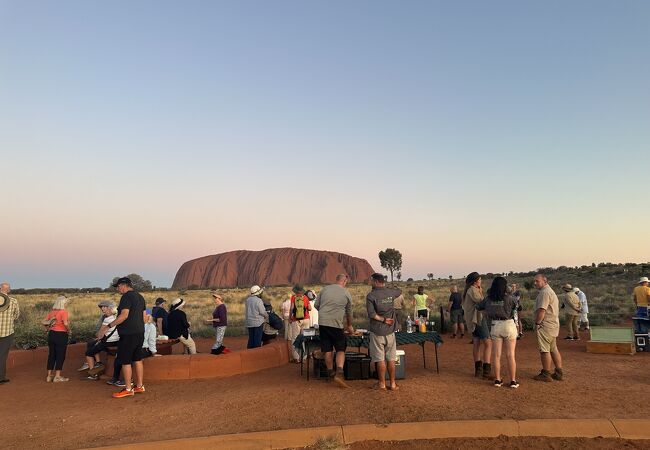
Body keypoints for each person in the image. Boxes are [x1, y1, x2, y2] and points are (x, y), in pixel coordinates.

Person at [101, 277, 146, 398]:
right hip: (140, 332)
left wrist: (108, 326)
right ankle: (140, 386)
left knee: (126, 361)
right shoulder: (140, 297)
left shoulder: (126, 297)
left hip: (128, 334)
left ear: (124, 285)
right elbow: (144, 318)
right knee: (137, 359)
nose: (117, 289)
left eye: (118, 286)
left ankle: (128, 388)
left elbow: (124, 315)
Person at [476, 277, 520, 388]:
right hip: (509, 325)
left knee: (496, 355)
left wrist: (487, 313)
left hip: (495, 325)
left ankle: (497, 380)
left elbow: (478, 307)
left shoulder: (488, 299)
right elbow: (518, 308)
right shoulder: (510, 298)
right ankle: (513, 381)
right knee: (510, 355)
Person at [314, 274, 354, 388]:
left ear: (336, 280)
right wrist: (350, 325)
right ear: (345, 281)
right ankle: (339, 373)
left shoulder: (325, 289)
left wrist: (325, 312)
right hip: (336, 323)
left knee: (327, 348)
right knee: (340, 348)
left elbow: (316, 305)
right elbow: (349, 312)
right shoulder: (346, 293)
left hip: (323, 322)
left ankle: (330, 373)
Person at [366, 273, 401, 391]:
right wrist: (389, 289)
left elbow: (372, 314)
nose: (370, 282)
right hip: (391, 331)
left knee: (380, 359)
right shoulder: (391, 293)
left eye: (372, 281)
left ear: (376, 281)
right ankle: (393, 384)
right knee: (391, 358)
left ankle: (381, 384)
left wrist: (384, 320)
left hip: (377, 332)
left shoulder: (371, 296)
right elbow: (399, 291)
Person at [533, 274, 564, 382]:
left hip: (545, 325)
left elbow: (542, 310)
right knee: (553, 348)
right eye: (535, 281)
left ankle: (546, 373)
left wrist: (537, 323)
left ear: (544, 281)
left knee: (544, 350)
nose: (535, 283)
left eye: (537, 281)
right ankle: (558, 372)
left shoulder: (544, 293)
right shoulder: (549, 291)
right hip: (553, 324)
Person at [79, 300, 120, 380]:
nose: (102, 309)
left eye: (104, 307)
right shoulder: (117, 318)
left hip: (108, 343)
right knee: (93, 343)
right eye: (102, 307)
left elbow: (99, 334)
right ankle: (98, 363)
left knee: (88, 353)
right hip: (116, 342)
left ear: (110, 308)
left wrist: (98, 337)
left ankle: (93, 374)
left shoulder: (107, 320)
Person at [463, 272, 492, 378]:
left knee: (476, 342)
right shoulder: (473, 290)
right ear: (475, 281)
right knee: (488, 343)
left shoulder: (470, 290)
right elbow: (482, 302)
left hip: (473, 320)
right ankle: (486, 371)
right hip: (478, 319)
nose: (481, 281)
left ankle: (478, 370)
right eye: (479, 280)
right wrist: (481, 291)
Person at [42, 295, 71, 382]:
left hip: (51, 334)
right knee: (60, 355)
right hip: (61, 335)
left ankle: (49, 376)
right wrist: (69, 330)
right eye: (66, 303)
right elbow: (65, 323)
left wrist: (47, 329)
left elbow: (43, 322)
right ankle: (57, 376)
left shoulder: (52, 312)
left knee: (52, 355)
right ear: (63, 303)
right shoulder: (64, 312)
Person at [0, 282, 19, 385]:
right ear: (9, 290)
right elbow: (16, 316)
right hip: (7, 332)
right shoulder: (13, 301)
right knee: (2, 355)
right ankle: (1, 377)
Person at [288, 285, 312, 362]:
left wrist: (290, 317)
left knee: (295, 337)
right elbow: (310, 308)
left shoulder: (293, 298)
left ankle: (296, 358)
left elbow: (291, 308)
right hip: (306, 319)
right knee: (304, 338)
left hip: (296, 320)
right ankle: (304, 358)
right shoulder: (305, 298)